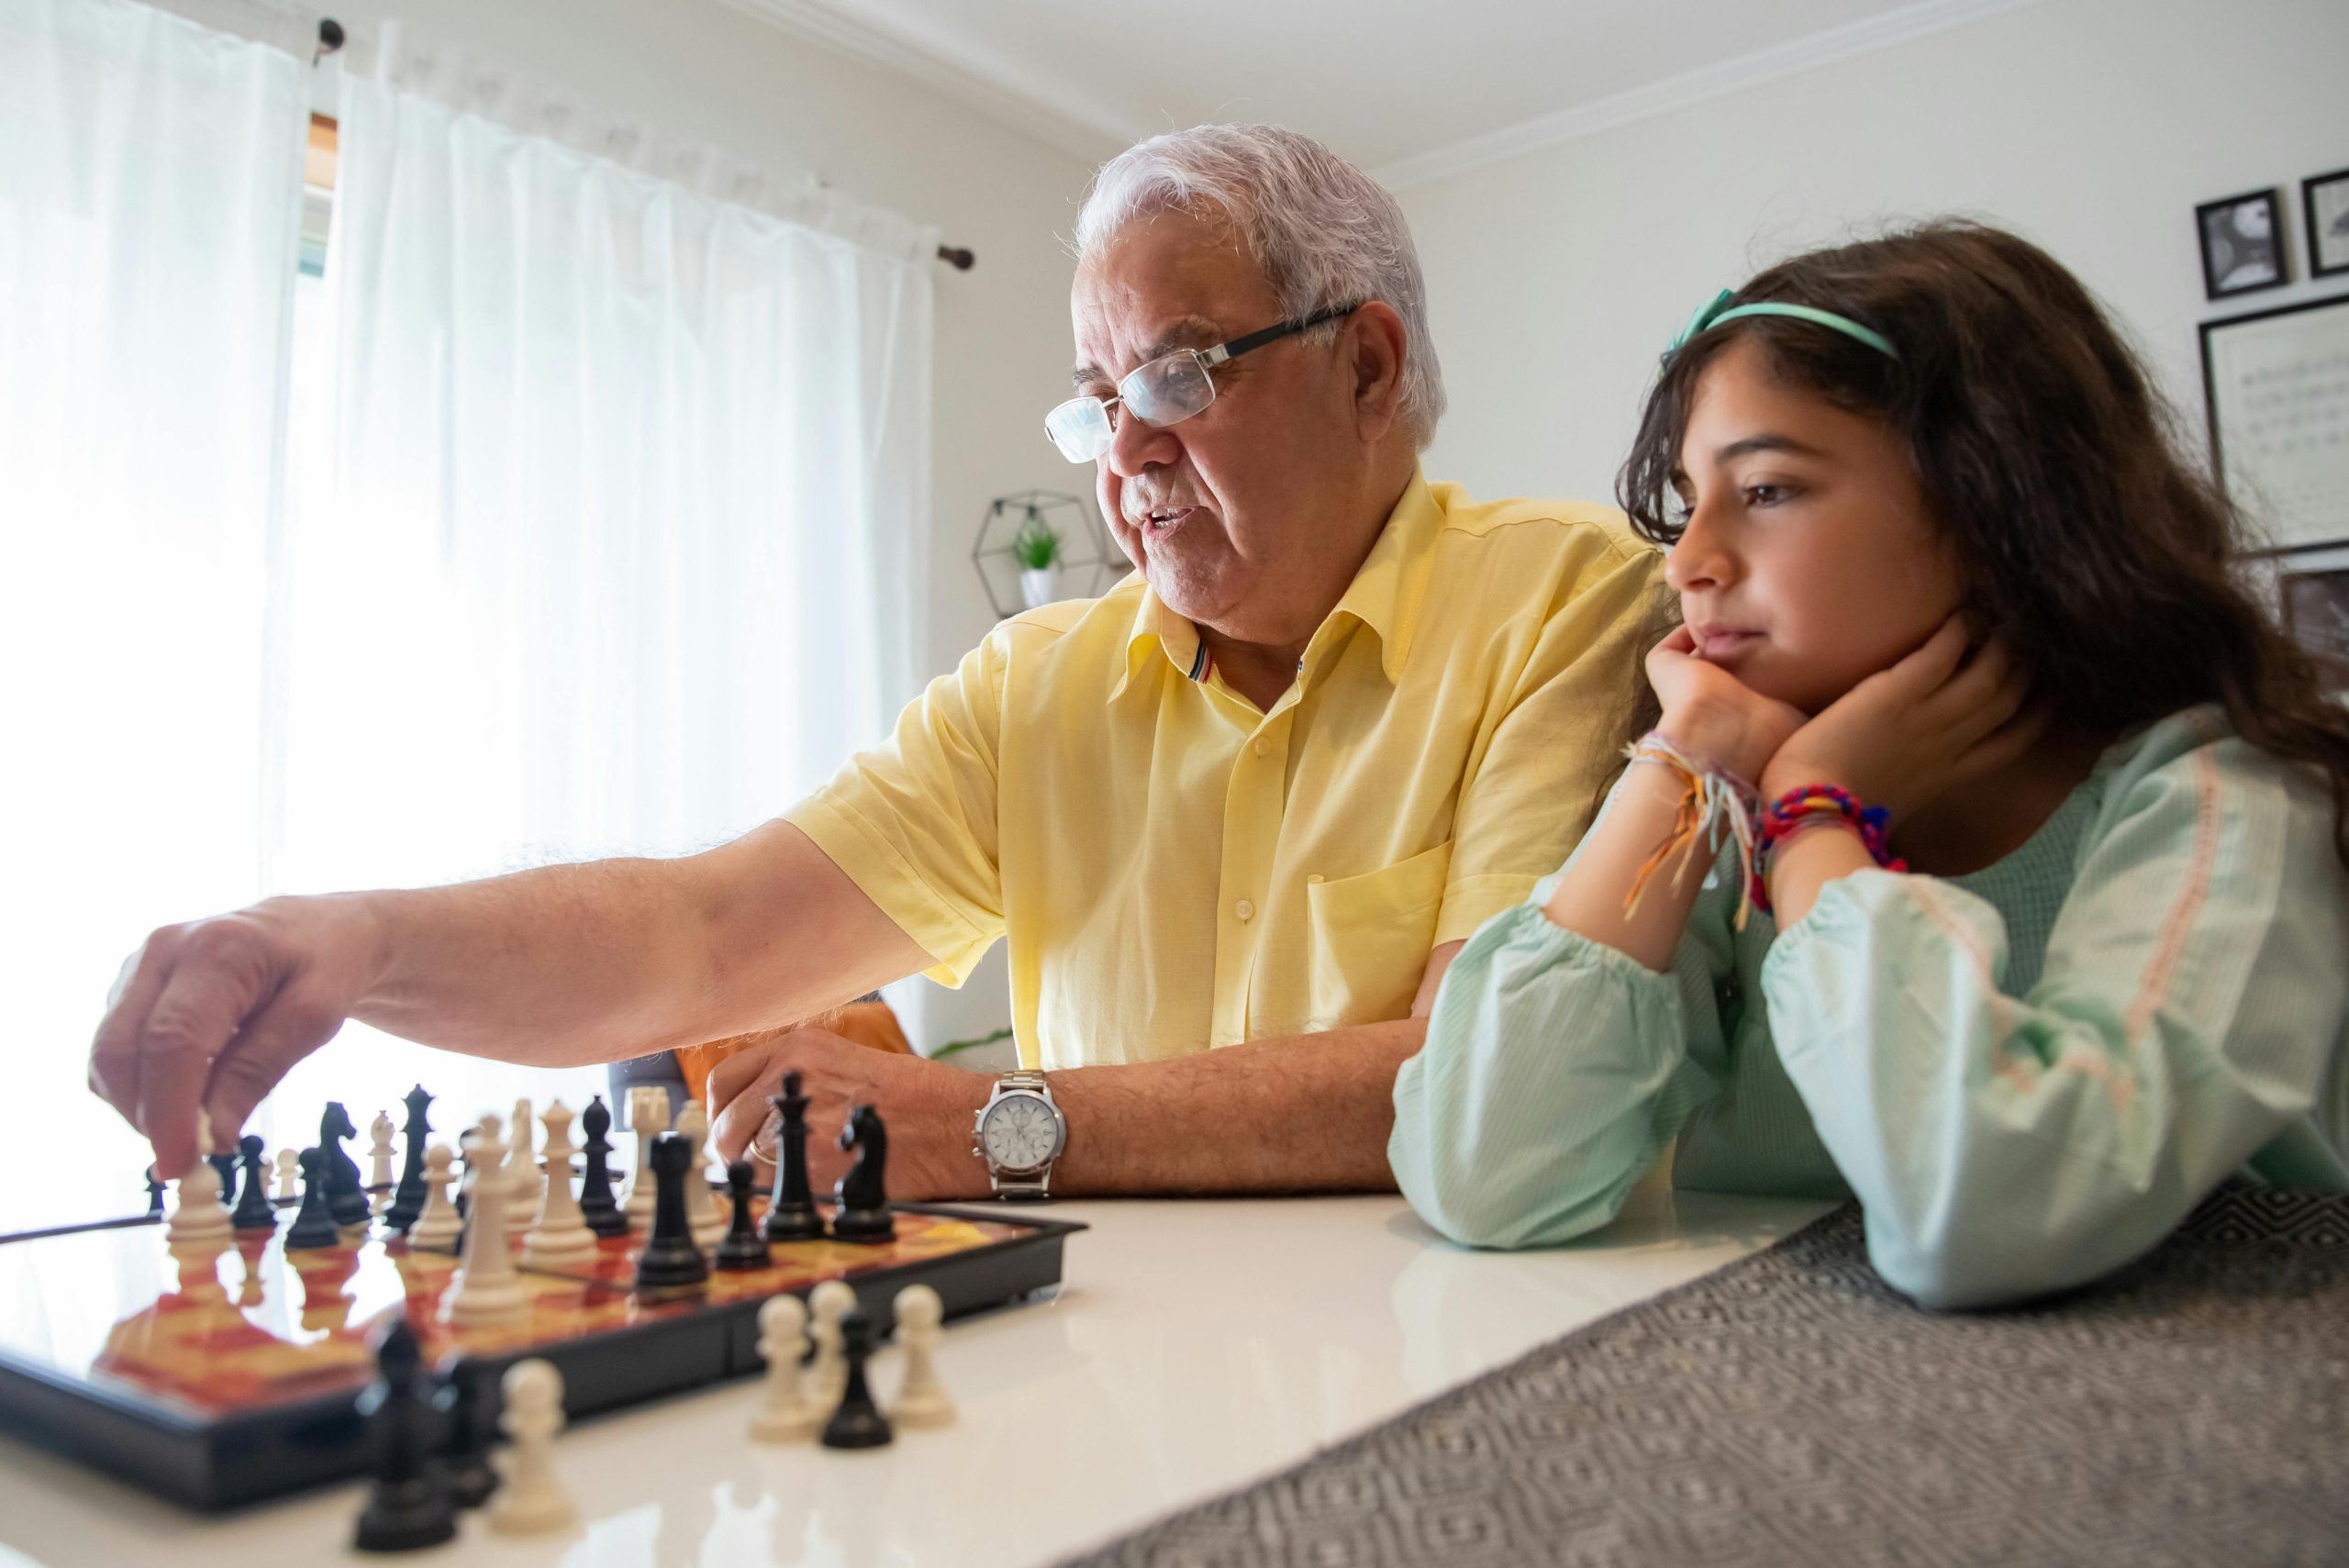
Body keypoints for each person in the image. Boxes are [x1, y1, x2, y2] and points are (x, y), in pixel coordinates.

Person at [91, 124, 1664, 1201]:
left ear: (1367, 364)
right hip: (1112, 1381)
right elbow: (700, 935)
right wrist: (354, 941)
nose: (1122, 454)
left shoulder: (1571, 600)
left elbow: (1477, 1075)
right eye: (1094, 397)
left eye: (1175, 374)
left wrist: (995, 1122)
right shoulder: (1033, 683)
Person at [1388, 221, 2349, 1308]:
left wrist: (1814, 822)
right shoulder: (1720, 797)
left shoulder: (2224, 796)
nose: (1690, 561)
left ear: (1996, 499)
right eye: (1687, 499)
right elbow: (1483, 1174)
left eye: (1766, 490)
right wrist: (1681, 759)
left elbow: (1991, 1208)